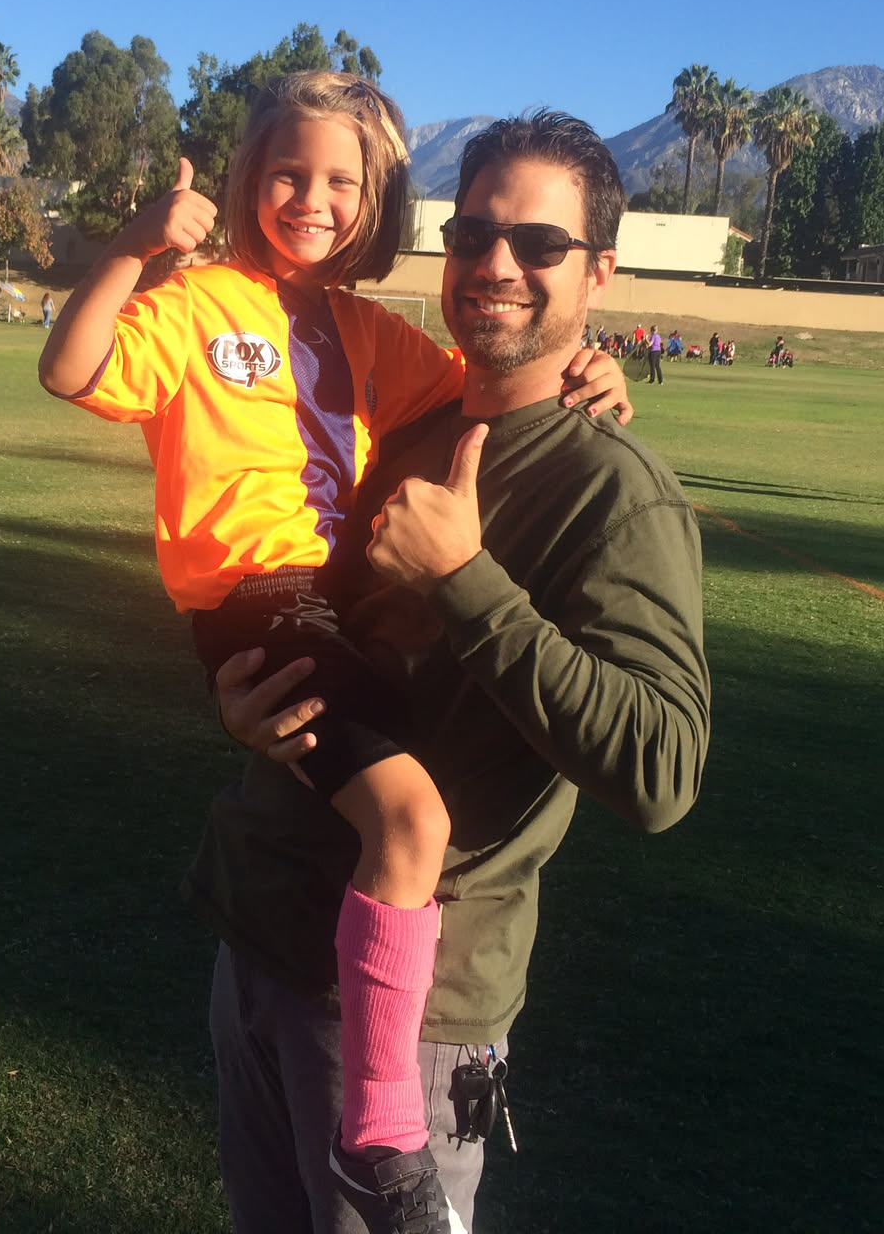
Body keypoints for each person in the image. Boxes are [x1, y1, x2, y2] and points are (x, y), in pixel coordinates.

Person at [42, 77, 630, 1234]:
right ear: (249, 179)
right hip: (258, 599)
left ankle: (371, 1099)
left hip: (328, 605)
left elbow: (488, 390)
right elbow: (72, 369)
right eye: (288, 173)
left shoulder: (371, 335)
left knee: (406, 810)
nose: (312, 199)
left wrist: (588, 369)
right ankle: (382, 1126)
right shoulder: (199, 304)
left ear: (378, 203)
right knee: (411, 822)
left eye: (342, 182)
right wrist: (129, 251)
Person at [201, 111, 708, 1234]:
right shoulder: (402, 430)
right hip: (263, 943)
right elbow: (310, 616)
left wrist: (466, 579)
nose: (496, 265)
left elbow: (662, 770)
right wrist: (246, 698)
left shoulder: (615, 490)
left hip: (411, 1021)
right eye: (474, 234)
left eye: (540, 244)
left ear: (600, 272)